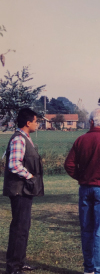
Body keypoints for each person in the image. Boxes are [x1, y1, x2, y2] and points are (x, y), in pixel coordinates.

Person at [64, 108, 100, 274]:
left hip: (85, 188)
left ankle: (89, 268)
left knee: (87, 229)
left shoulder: (81, 140)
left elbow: (68, 164)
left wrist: (81, 177)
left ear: (91, 122)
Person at [3, 108, 43, 274]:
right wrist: (30, 176)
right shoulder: (19, 139)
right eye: (35, 121)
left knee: (22, 227)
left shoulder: (24, 138)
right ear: (28, 123)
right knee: (20, 228)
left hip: (23, 191)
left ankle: (19, 262)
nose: (37, 124)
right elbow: (13, 164)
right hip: (20, 191)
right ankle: (13, 267)